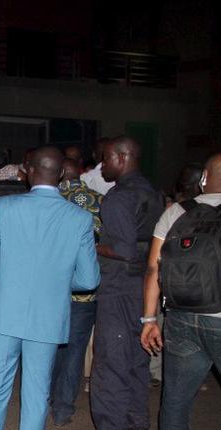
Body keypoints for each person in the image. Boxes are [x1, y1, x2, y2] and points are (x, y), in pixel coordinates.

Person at [0, 146, 100, 430]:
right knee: (37, 393)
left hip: (5, 312)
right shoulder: (80, 218)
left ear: (29, 173)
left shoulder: (5, 207)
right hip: (48, 315)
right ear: (63, 175)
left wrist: (9, 271)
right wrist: (57, 280)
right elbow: (89, 280)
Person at [140, 153, 221, 430]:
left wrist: (149, 320)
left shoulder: (176, 212)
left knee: (175, 402)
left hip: (180, 318)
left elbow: (153, 269)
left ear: (204, 179)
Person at [90, 136, 164, 430]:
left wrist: (92, 245)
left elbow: (123, 249)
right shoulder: (154, 192)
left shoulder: (120, 196)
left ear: (122, 158)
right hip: (145, 290)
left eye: (106, 158)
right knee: (136, 364)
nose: (102, 164)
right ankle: (137, 423)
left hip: (119, 290)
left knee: (110, 369)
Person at [50, 158, 103, 426]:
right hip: (83, 292)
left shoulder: (51, 200)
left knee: (51, 345)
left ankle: (46, 397)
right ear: (80, 174)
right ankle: (62, 409)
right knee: (74, 350)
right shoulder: (96, 199)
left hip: (51, 289)